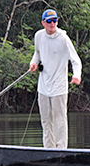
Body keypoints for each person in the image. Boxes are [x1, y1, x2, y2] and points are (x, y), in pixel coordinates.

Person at [29, 8, 82, 149]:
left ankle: (61, 150)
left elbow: (76, 60)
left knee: (60, 121)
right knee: (46, 121)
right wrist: (33, 63)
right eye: (49, 21)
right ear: (43, 23)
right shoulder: (38, 36)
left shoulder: (63, 38)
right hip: (43, 86)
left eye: (55, 21)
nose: (52, 24)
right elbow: (37, 53)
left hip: (59, 87)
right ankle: (48, 150)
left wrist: (76, 76)